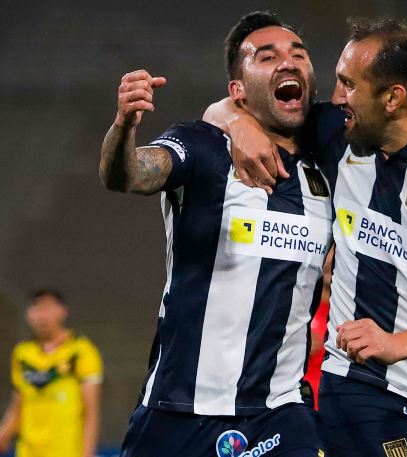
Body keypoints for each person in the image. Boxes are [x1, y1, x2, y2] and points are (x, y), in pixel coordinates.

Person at [205, 17, 407, 457]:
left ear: (393, 98)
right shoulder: (340, 133)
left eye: (349, 85)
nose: (337, 98)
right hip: (362, 385)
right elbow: (230, 106)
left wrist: (399, 343)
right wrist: (237, 124)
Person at [98, 11, 332, 457]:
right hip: (178, 411)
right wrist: (124, 125)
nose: (287, 62)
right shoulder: (202, 145)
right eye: (267, 56)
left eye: (298, 54)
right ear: (237, 91)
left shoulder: (330, 166)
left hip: (279, 412)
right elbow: (127, 174)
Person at [0, 289, 102, 457]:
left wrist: (87, 453)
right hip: (28, 452)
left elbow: (91, 412)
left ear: (62, 311)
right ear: (28, 315)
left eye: (47, 308)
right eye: (36, 308)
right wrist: (3, 436)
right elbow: (17, 407)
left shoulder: (81, 351)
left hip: (67, 452)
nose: (42, 316)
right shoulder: (22, 354)